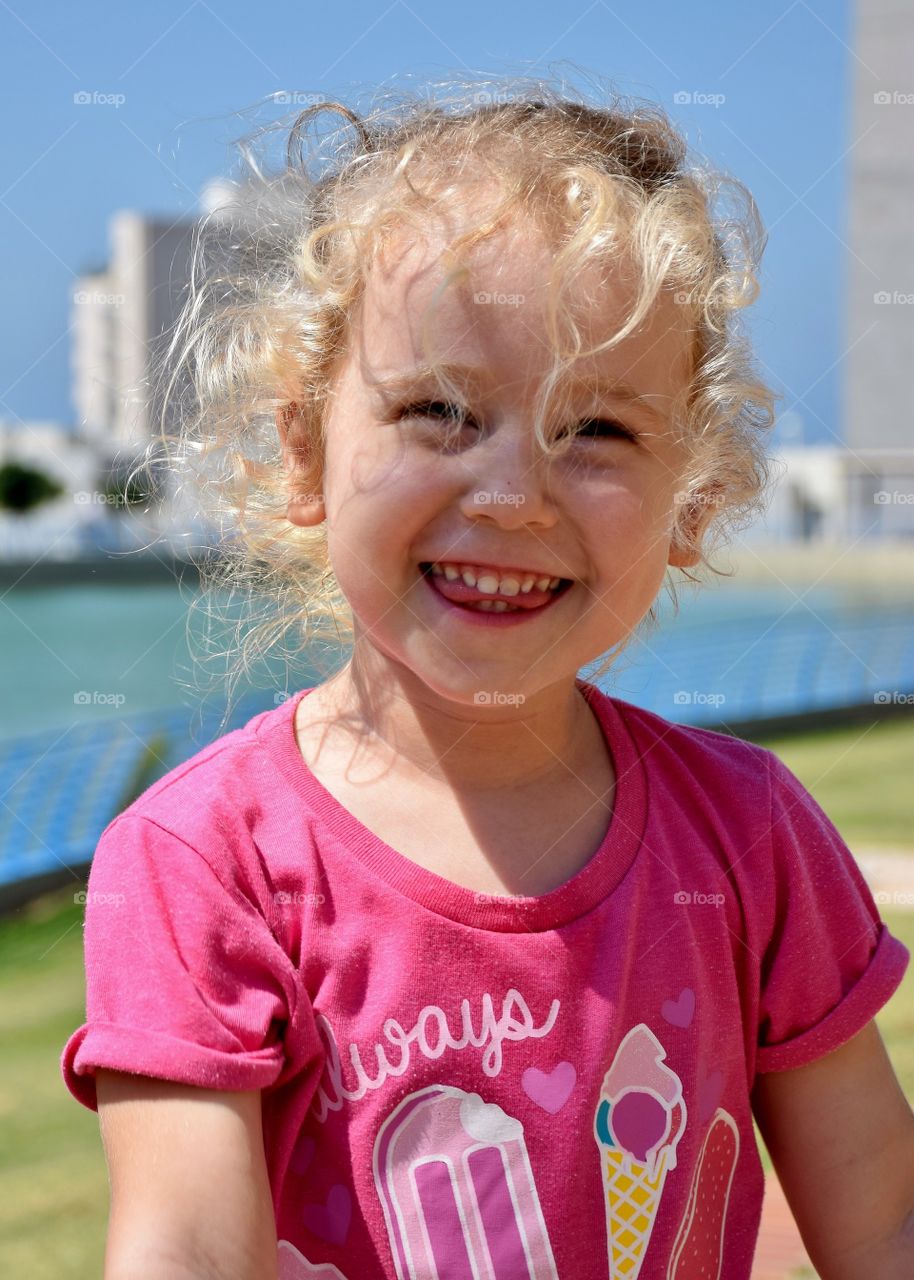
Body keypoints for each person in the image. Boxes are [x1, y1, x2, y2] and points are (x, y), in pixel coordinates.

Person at [61, 76, 914, 1279]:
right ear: (304, 452)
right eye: (440, 410)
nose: (513, 492)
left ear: (692, 493)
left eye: (599, 431)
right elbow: (186, 1254)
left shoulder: (749, 835)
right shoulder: (204, 862)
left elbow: (881, 1219)